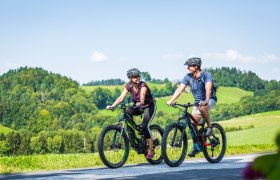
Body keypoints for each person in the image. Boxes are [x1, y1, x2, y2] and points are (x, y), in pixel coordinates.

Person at [167, 57, 217, 157]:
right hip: (197, 103)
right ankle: (197, 145)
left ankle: (209, 127)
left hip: (210, 100)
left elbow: (208, 89)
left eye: (189, 66)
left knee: (202, 108)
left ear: (196, 66)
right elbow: (180, 89)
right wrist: (171, 100)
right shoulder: (188, 77)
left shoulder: (206, 75)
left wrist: (206, 101)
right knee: (193, 123)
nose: (187, 68)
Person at [106, 68, 156, 159]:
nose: (137, 78)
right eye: (134, 77)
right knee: (128, 111)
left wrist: (140, 103)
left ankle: (151, 150)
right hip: (138, 106)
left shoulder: (143, 85)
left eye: (138, 76)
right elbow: (121, 97)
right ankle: (133, 140)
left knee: (144, 126)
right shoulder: (129, 86)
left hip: (149, 106)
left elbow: (142, 96)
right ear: (130, 78)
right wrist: (113, 106)